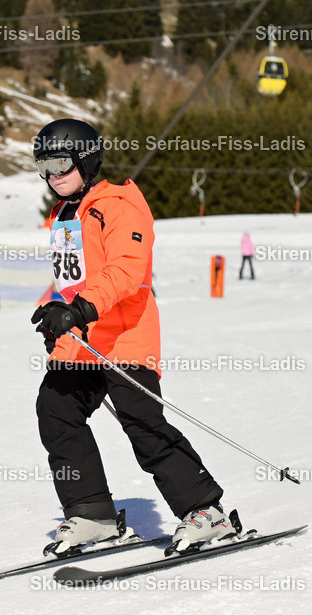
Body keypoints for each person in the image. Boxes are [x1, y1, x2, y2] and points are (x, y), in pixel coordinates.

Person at [29, 119, 237, 557]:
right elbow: (75, 280)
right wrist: (56, 317)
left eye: (61, 163)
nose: (53, 175)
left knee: (141, 423)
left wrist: (80, 310)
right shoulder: (64, 213)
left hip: (124, 332)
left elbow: (125, 270)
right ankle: (92, 515)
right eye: (44, 165)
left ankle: (206, 512)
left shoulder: (119, 204)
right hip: (83, 340)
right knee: (55, 409)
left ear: (86, 159)